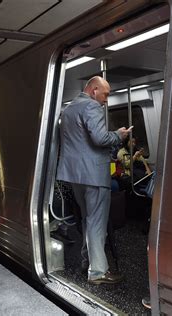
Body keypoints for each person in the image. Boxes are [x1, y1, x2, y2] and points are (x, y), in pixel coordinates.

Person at [56, 76, 132, 285]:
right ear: (94, 90)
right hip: (93, 174)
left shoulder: (69, 109)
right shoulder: (91, 107)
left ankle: (86, 261)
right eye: (105, 94)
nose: (106, 100)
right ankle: (98, 272)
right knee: (97, 221)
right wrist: (118, 135)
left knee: (87, 219)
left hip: (74, 175)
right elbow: (99, 138)